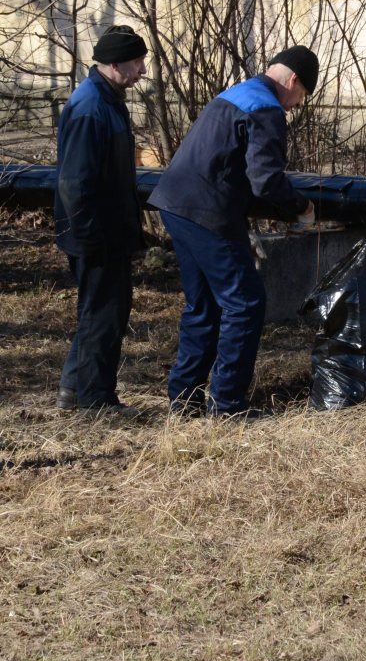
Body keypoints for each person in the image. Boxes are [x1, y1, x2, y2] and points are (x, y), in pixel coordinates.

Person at [148, 47, 318, 417]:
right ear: (292, 81)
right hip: (210, 212)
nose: (294, 106)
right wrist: (301, 207)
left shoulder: (234, 93)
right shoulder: (267, 109)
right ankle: (226, 405)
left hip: (175, 205)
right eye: (301, 97)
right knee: (245, 303)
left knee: (203, 305)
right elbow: (266, 181)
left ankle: (184, 399)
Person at [54, 25, 149, 417]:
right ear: (114, 64)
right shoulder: (91, 107)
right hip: (95, 234)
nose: (142, 70)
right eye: (137, 62)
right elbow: (75, 182)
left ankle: (74, 390)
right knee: (104, 315)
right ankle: (95, 401)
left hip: (107, 230)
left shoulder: (107, 100)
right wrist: (91, 235)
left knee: (98, 311)